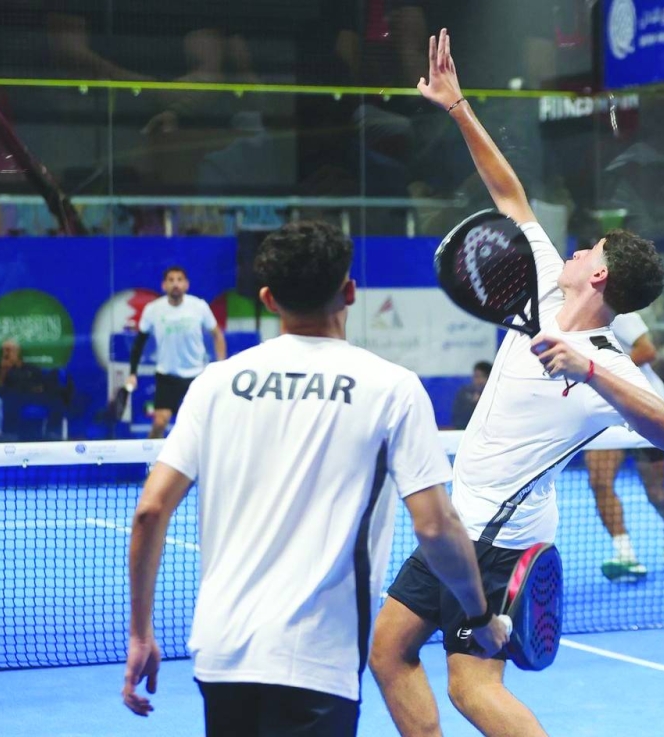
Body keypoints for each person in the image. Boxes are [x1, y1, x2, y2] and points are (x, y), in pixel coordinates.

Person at [369, 30, 664, 737]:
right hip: (462, 520)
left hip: (497, 537)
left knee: (472, 686)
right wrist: (457, 106)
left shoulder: (606, 356)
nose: (577, 247)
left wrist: (588, 368)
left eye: (590, 248)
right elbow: (507, 190)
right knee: (388, 650)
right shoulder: (540, 283)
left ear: (598, 275)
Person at [121, 221, 509, 735]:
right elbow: (436, 526)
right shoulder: (392, 388)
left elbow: (150, 511)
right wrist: (479, 618)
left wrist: (140, 634)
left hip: (221, 654)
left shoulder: (214, 383)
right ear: (349, 291)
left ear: (267, 299)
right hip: (319, 660)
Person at [584, 311, 664, 583]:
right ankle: (626, 554)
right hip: (608, 408)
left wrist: (601, 372)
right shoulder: (566, 320)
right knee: (599, 482)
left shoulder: (619, 312)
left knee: (656, 494)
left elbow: (647, 351)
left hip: (645, 405)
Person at [127, 266, 226, 438]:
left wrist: (221, 365)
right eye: (171, 280)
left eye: (179, 280)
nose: (175, 284)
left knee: (202, 425)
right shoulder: (152, 309)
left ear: (186, 284)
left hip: (196, 375)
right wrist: (132, 373)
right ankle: (152, 455)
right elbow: (139, 342)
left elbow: (217, 335)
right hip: (167, 376)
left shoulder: (199, 306)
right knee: (160, 423)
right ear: (164, 285)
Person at [451, 361, 492, 430]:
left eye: (483, 376)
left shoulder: (494, 395)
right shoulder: (464, 393)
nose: (479, 380)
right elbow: (457, 417)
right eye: (476, 376)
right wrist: (472, 404)